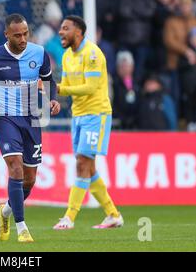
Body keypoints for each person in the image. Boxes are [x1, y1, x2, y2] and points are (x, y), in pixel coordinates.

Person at [0, 13, 60, 243]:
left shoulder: (39, 53)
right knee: (15, 169)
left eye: (25, 33)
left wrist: (52, 99)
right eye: (17, 35)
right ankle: (22, 228)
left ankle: (5, 211)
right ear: (7, 35)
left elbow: (49, 81)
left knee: (30, 180)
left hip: (31, 119)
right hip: (4, 118)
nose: (23, 39)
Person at [53, 15, 123, 230]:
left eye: (66, 28)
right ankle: (113, 214)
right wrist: (54, 96)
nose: (60, 32)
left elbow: (90, 87)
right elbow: (64, 85)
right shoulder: (66, 56)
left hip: (96, 114)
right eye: (60, 28)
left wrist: (60, 89)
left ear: (78, 32)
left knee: (82, 163)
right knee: (89, 167)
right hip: (79, 115)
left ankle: (69, 217)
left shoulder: (92, 53)